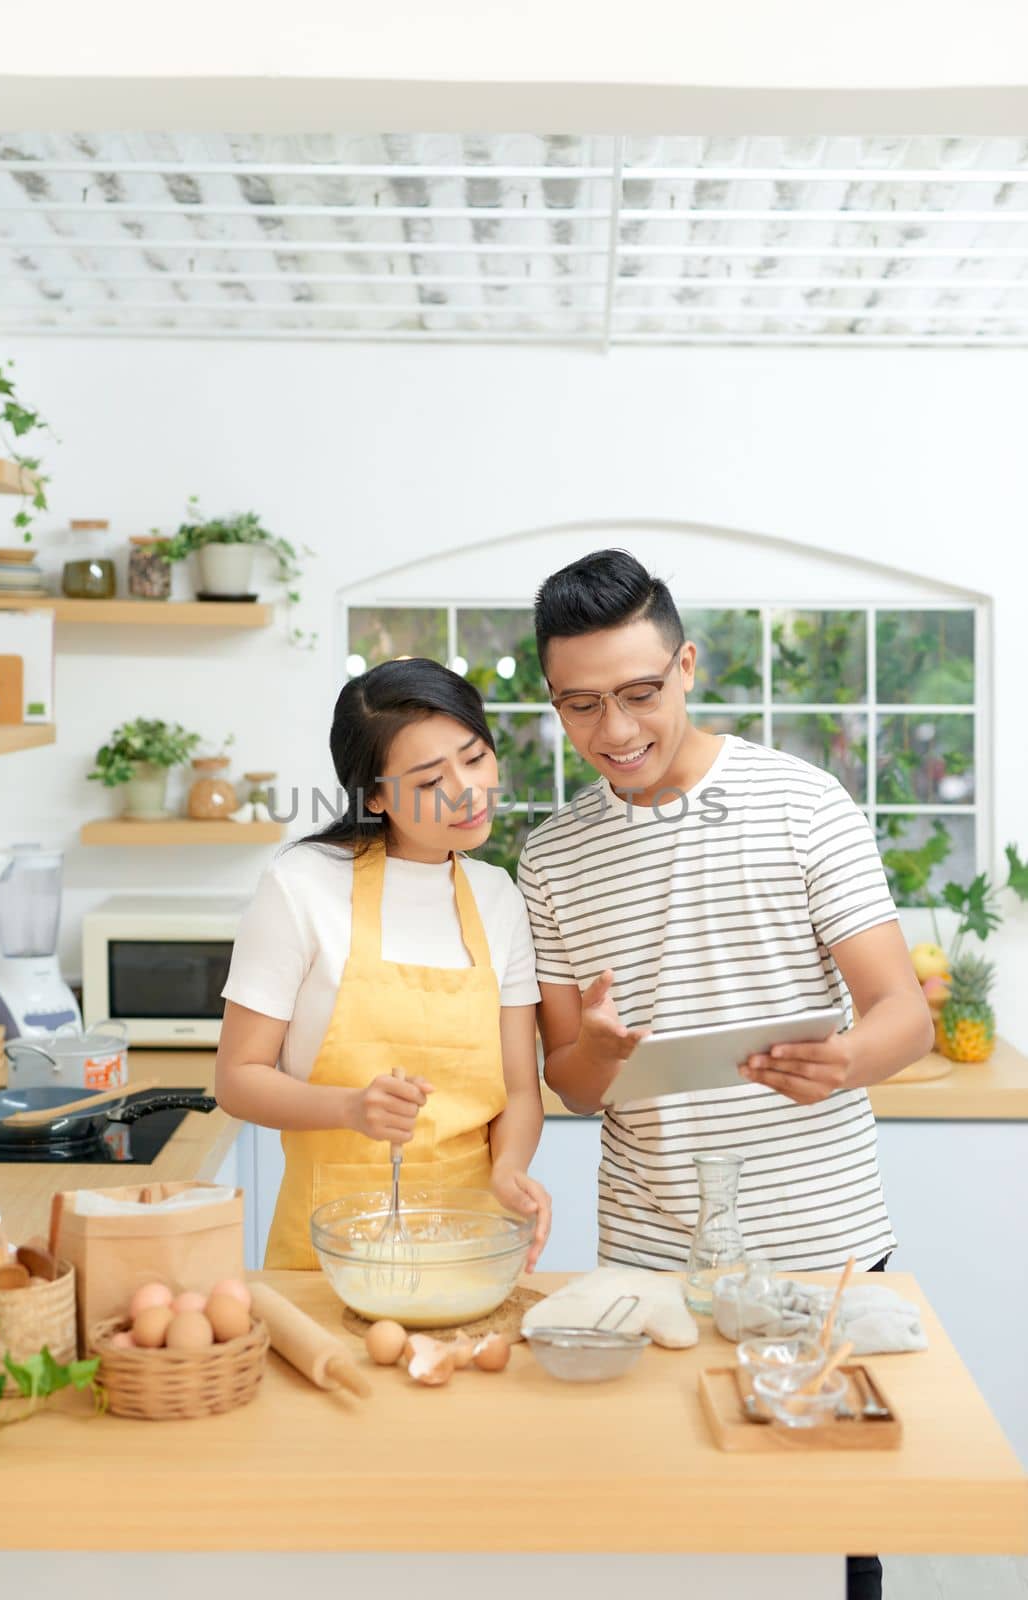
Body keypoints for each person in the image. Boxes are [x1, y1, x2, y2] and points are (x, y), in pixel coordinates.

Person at [517, 550, 933, 1600]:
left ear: (687, 666)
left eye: (639, 694)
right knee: (674, 1536)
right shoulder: (552, 856)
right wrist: (601, 1052)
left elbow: (904, 1014)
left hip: (821, 1256)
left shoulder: (802, 802)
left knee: (828, 1535)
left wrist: (844, 1062)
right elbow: (571, 1085)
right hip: (652, 1263)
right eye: (581, 706)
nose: (614, 733)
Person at [216, 656, 551, 1272]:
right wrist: (349, 1109)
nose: (466, 791)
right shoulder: (302, 886)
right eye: (428, 782)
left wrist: (509, 1169)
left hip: (470, 1246)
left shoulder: (498, 896)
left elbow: (520, 1092)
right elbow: (237, 1079)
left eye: (475, 758)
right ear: (373, 794)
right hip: (330, 1256)